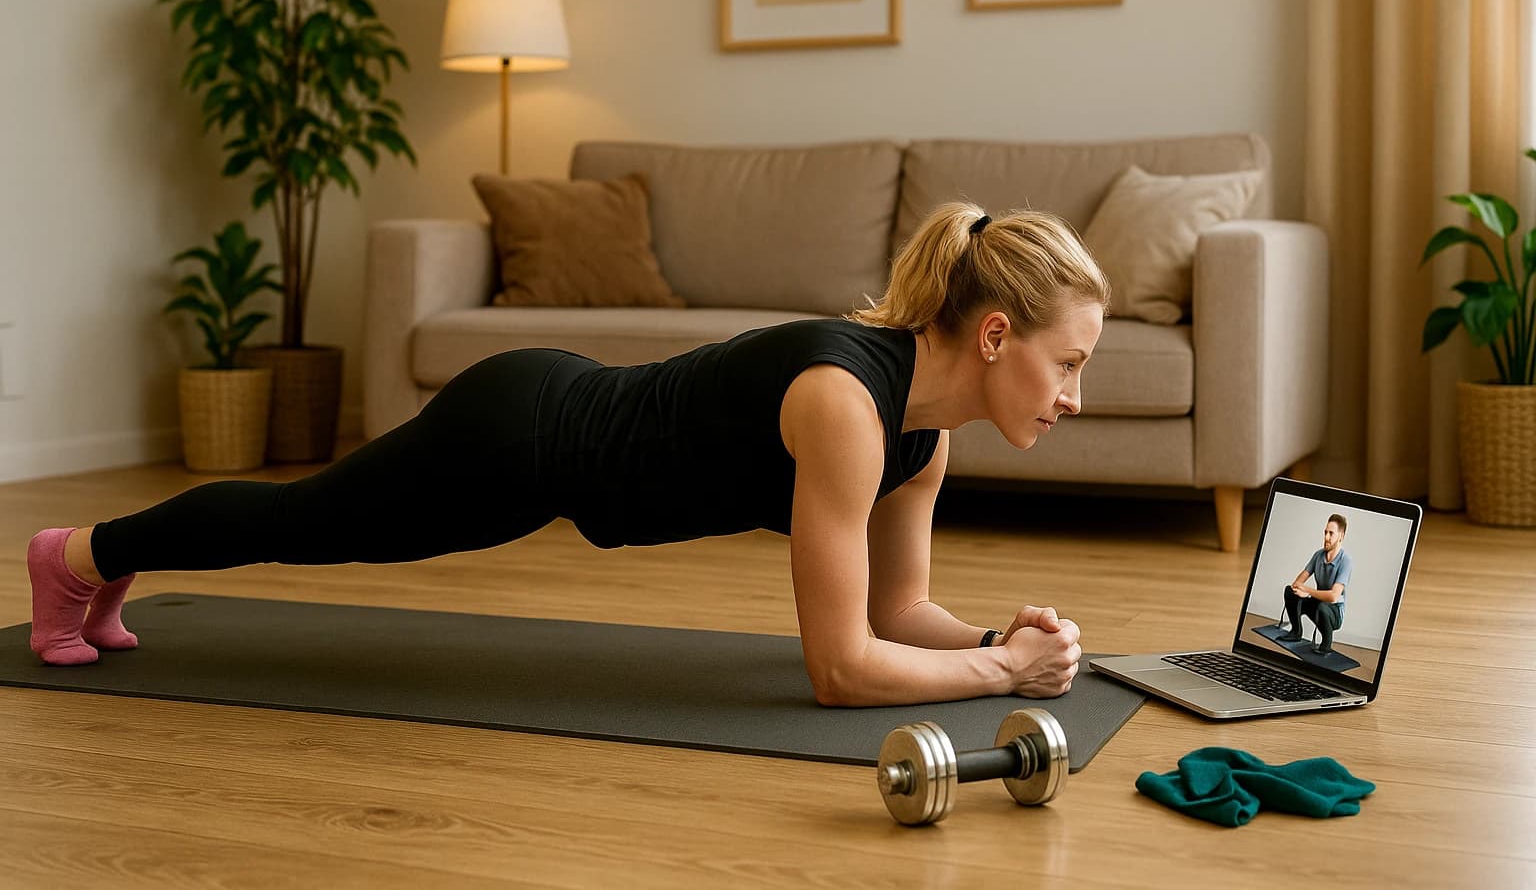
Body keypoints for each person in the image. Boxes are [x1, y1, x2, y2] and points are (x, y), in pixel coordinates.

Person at [27, 202, 1110, 707]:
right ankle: (75, 554)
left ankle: (98, 562)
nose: (1073, 395)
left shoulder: (922, 443)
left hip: (554, 440)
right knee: (303, 522)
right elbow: (837, 669)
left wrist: (992, 638)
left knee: (307, 523)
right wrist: (1000, 674)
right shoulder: (844, 402)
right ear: (997, 334)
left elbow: (890, 617)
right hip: (519, 436)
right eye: (1068, 363)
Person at [1279, 514, 1352, 655]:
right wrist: (1299, 590)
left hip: (1333, 612)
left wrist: (1307, 590)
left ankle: (1326, 644)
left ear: (1341, 536)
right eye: (1325, 532)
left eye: (1331, 534)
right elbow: (1297, 583)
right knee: (1290, 591)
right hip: (1318, 603)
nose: (1326, 537)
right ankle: (1296, 631)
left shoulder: (1346, 561)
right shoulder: (1318, 555)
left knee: (1324, 606)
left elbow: (1333, 597)